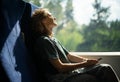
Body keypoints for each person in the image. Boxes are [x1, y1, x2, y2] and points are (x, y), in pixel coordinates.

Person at [29, 8, 119, 82]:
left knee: (105, 68)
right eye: (50, 15)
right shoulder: (44, 41)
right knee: (91, 78)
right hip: (60, 78)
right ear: (43, 20)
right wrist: (84, 64)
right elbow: (60, 68)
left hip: (70, 74)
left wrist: (87, 61)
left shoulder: (53, 40)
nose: (54, 17)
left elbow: (69, 56)